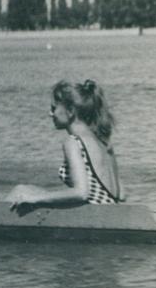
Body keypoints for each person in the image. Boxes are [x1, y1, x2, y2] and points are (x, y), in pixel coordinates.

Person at [7, 79, 124, 210]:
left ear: (70, 111)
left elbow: (81, 193)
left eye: (54, 108)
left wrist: (33, 199)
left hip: (93, 216)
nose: (50, 114)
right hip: (111, 213)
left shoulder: (73, 142)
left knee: (20, 191)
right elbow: (122, 195)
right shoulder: (104, 141)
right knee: (25, 190)